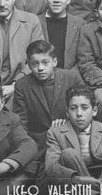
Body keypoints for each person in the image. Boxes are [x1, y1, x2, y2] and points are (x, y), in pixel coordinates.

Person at [14, 40, 85, 173]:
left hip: (70, 139)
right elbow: (21, 123)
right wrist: (26, 147)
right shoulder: (22, 85)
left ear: (54, 62)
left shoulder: (72, 77)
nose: (40, 68)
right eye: (35, 64)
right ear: (28, 65)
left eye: (45, 62)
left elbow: (85, 110)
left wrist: (68, 121)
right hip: (39, 144)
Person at [38, 0, 85, 70]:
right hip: (42, 74)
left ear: (68, 0)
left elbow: (83, 57)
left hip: (70, 75)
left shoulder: (80, 24)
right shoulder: (35, 22)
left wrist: (69, 75)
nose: (56, 0)